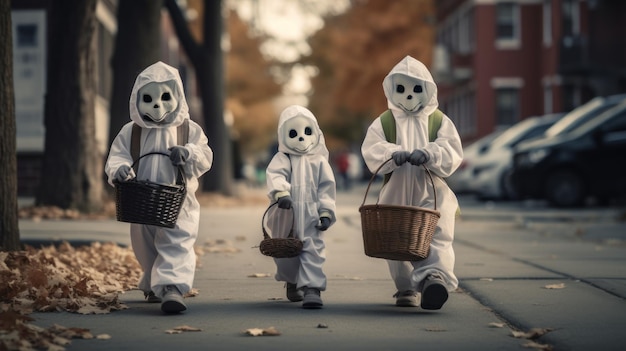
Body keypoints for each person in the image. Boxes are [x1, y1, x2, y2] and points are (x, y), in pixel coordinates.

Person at [105, 61, 213, 314]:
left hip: (178, 202)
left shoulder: (188, 129)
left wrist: (188, 153)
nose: (157, 105)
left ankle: (172, 288)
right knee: (146, 246)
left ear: (177, 96)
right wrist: (119, 170)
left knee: (177, 242)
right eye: (149, 98)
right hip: (139, 201)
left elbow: (205, 155)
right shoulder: (131, 131)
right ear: (137, 98)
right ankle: (154, 282)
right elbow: (117, 156)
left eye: (165, 97)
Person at [360, 55, 463, 310]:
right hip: (396, 189)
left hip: (432, 190)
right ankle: (405, 287)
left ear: (427, 89)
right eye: (402, 89)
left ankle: (434, 277)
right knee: (394, 238)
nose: (409, 95)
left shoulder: (438, 121)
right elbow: (372, 148)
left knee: (437, 232)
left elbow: (451, 149)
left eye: (416, 89)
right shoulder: (384, 122)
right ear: (391, 89)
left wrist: (430, 153)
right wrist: (390, 154)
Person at [265, 105, 337, 309]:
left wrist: (325, 211)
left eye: (307, 132)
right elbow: (275, 175)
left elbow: (326, 188)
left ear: (315, 133)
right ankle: (292, 280)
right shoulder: (283, 158)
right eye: (293, 133)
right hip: (286, 214)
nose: (301, 138)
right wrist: (281, 193)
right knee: (286, 253)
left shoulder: (320, 161)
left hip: (312, 214)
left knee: (313, 250)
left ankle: (312, 288)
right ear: (283, 135)